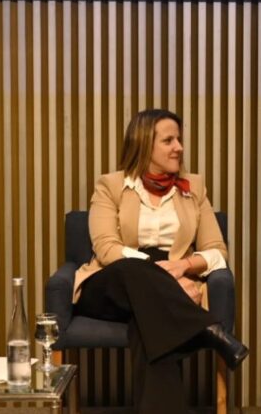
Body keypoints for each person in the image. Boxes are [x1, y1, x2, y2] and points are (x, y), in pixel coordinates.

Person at [72, 108, 248, 413]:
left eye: (179, 139)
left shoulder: (194, 187)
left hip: (162, 292)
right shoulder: (110, 185)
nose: (179, 147)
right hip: (112, 282)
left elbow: (218, 250)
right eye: (168, 140)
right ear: (144, 144)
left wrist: (183, 266)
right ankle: (207, 329)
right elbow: (107, 248)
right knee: (132, 270)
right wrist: (166, 279)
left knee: (149, 324)